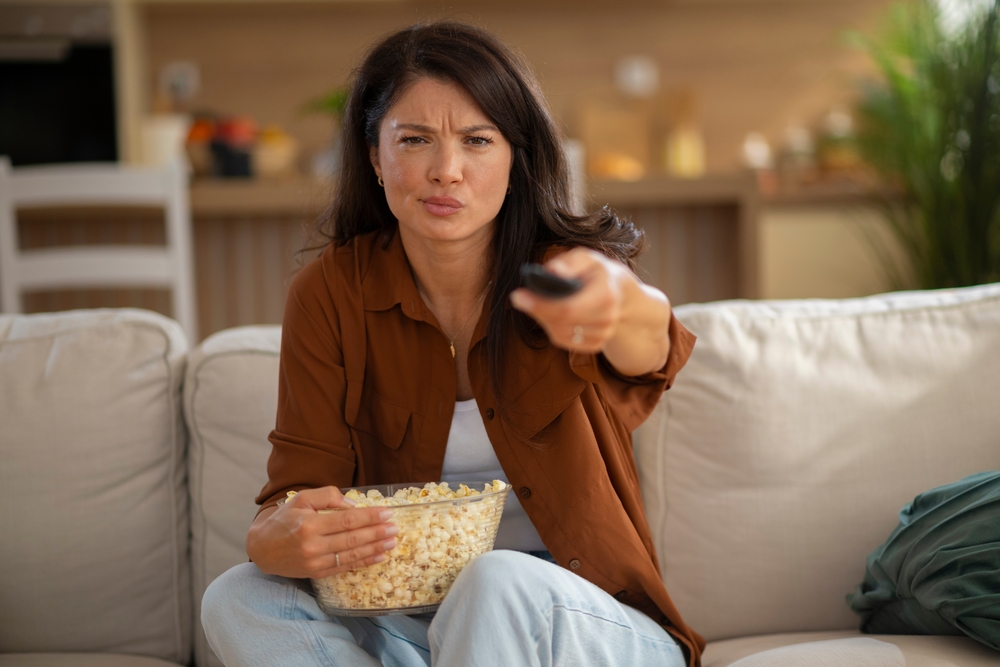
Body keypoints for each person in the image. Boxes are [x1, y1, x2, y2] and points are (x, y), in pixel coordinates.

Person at [202, 20, 704, 667]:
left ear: (516, 158)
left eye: (477, 140)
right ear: (376, 156)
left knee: (491, 580)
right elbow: (299, 489)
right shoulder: (329, 293)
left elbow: (648, 346)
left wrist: (625, 303)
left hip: (581, 622)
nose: (446, 171)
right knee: (238, 595)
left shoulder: (568, 276)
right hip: (415, 622)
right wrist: (277, 535)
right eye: (414, 140)